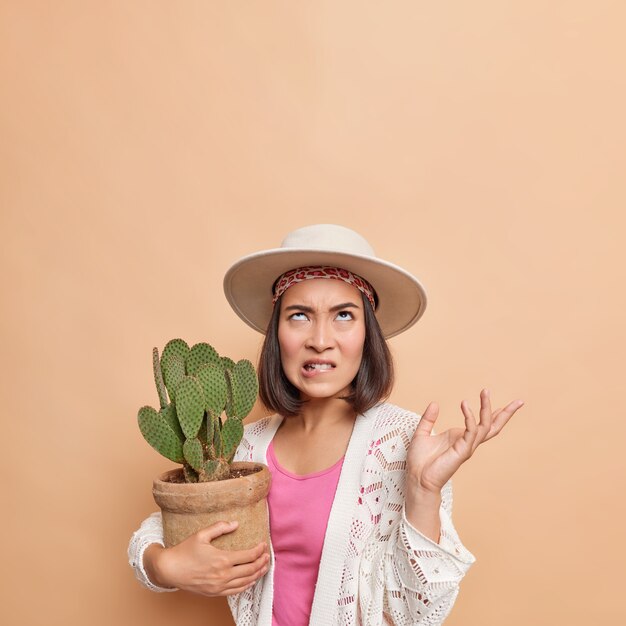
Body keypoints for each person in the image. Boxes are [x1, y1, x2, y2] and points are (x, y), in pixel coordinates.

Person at [128, 223, 524, 625]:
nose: (320, 339)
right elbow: (158, 532)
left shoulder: (401, 444)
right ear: (276, 333)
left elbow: (415, 615)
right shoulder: (242, 448)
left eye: (343, 316)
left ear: (367, 333)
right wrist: (164, 567)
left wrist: (424, 491)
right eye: (299, 315)